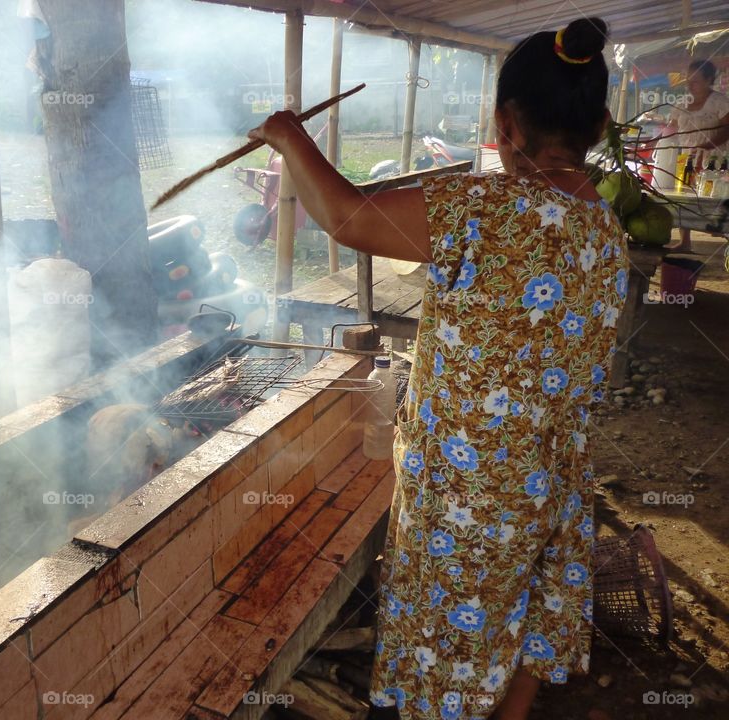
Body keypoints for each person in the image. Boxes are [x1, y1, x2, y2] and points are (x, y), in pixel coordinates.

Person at [249, 17, 627, 720]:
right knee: (523, 602)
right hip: (549, 469)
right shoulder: (607, 233)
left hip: (466, 487)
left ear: (504, 124)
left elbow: (347, 217)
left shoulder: (482, 208)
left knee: (445, 640)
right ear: (601, 126)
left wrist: (289, 137)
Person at [669, 59, 729, 251]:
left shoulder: (719, 102)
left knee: (712, 196)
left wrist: (707, 145)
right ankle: (685, 241)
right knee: (685, 196)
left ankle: (721, 232)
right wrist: (655, 142)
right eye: (688, 80)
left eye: (695, 81)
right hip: (687, 158)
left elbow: (727, 128)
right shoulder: (683, 102)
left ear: (708, 80)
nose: (690, 85)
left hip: (714, 159)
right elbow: (671, 127)